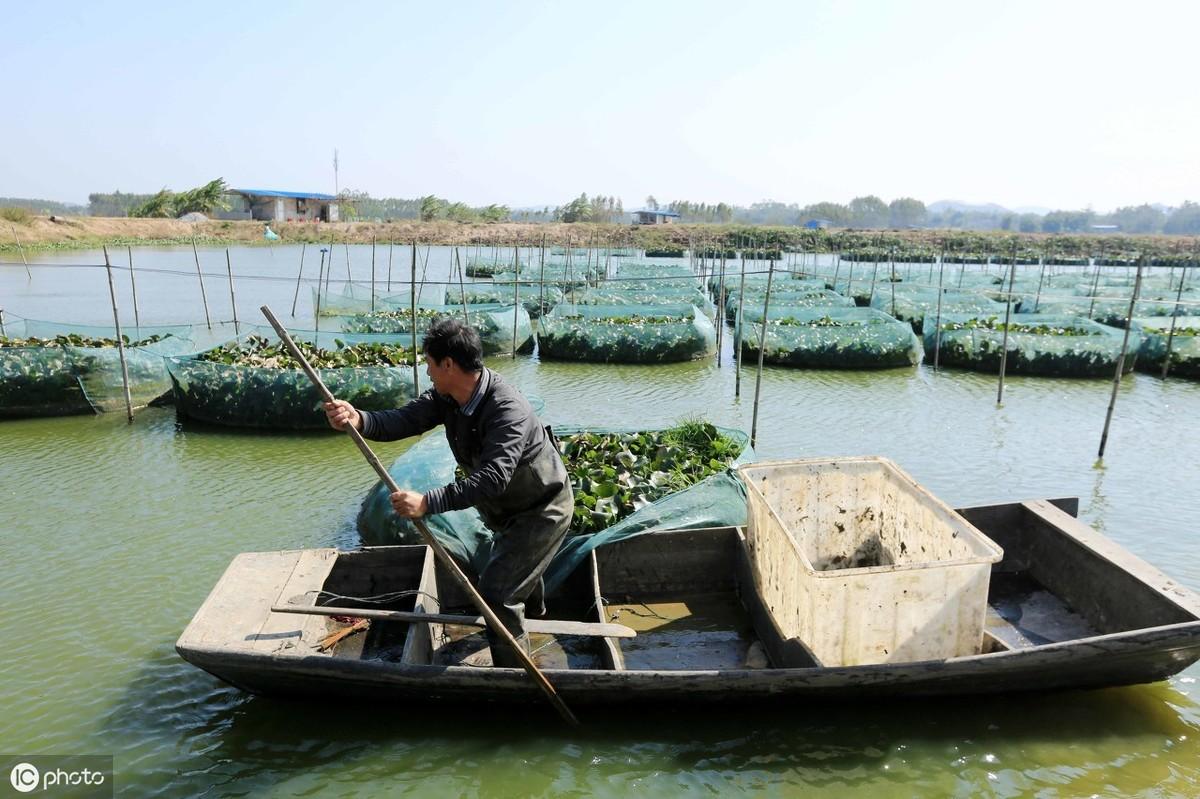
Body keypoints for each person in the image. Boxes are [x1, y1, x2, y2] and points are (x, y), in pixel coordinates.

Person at [324, 317, 573, 667]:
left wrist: (427, 503)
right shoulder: (448, 397)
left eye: (428, 363)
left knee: (498, 596)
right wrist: (359, 419)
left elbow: (492, 478)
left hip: (542, 510)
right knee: (518, 578)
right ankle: (536, 624)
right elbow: (404, 420)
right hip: (505, 511)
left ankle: (515, 674)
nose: (426, 372)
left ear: (448, 365)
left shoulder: (506, 410)